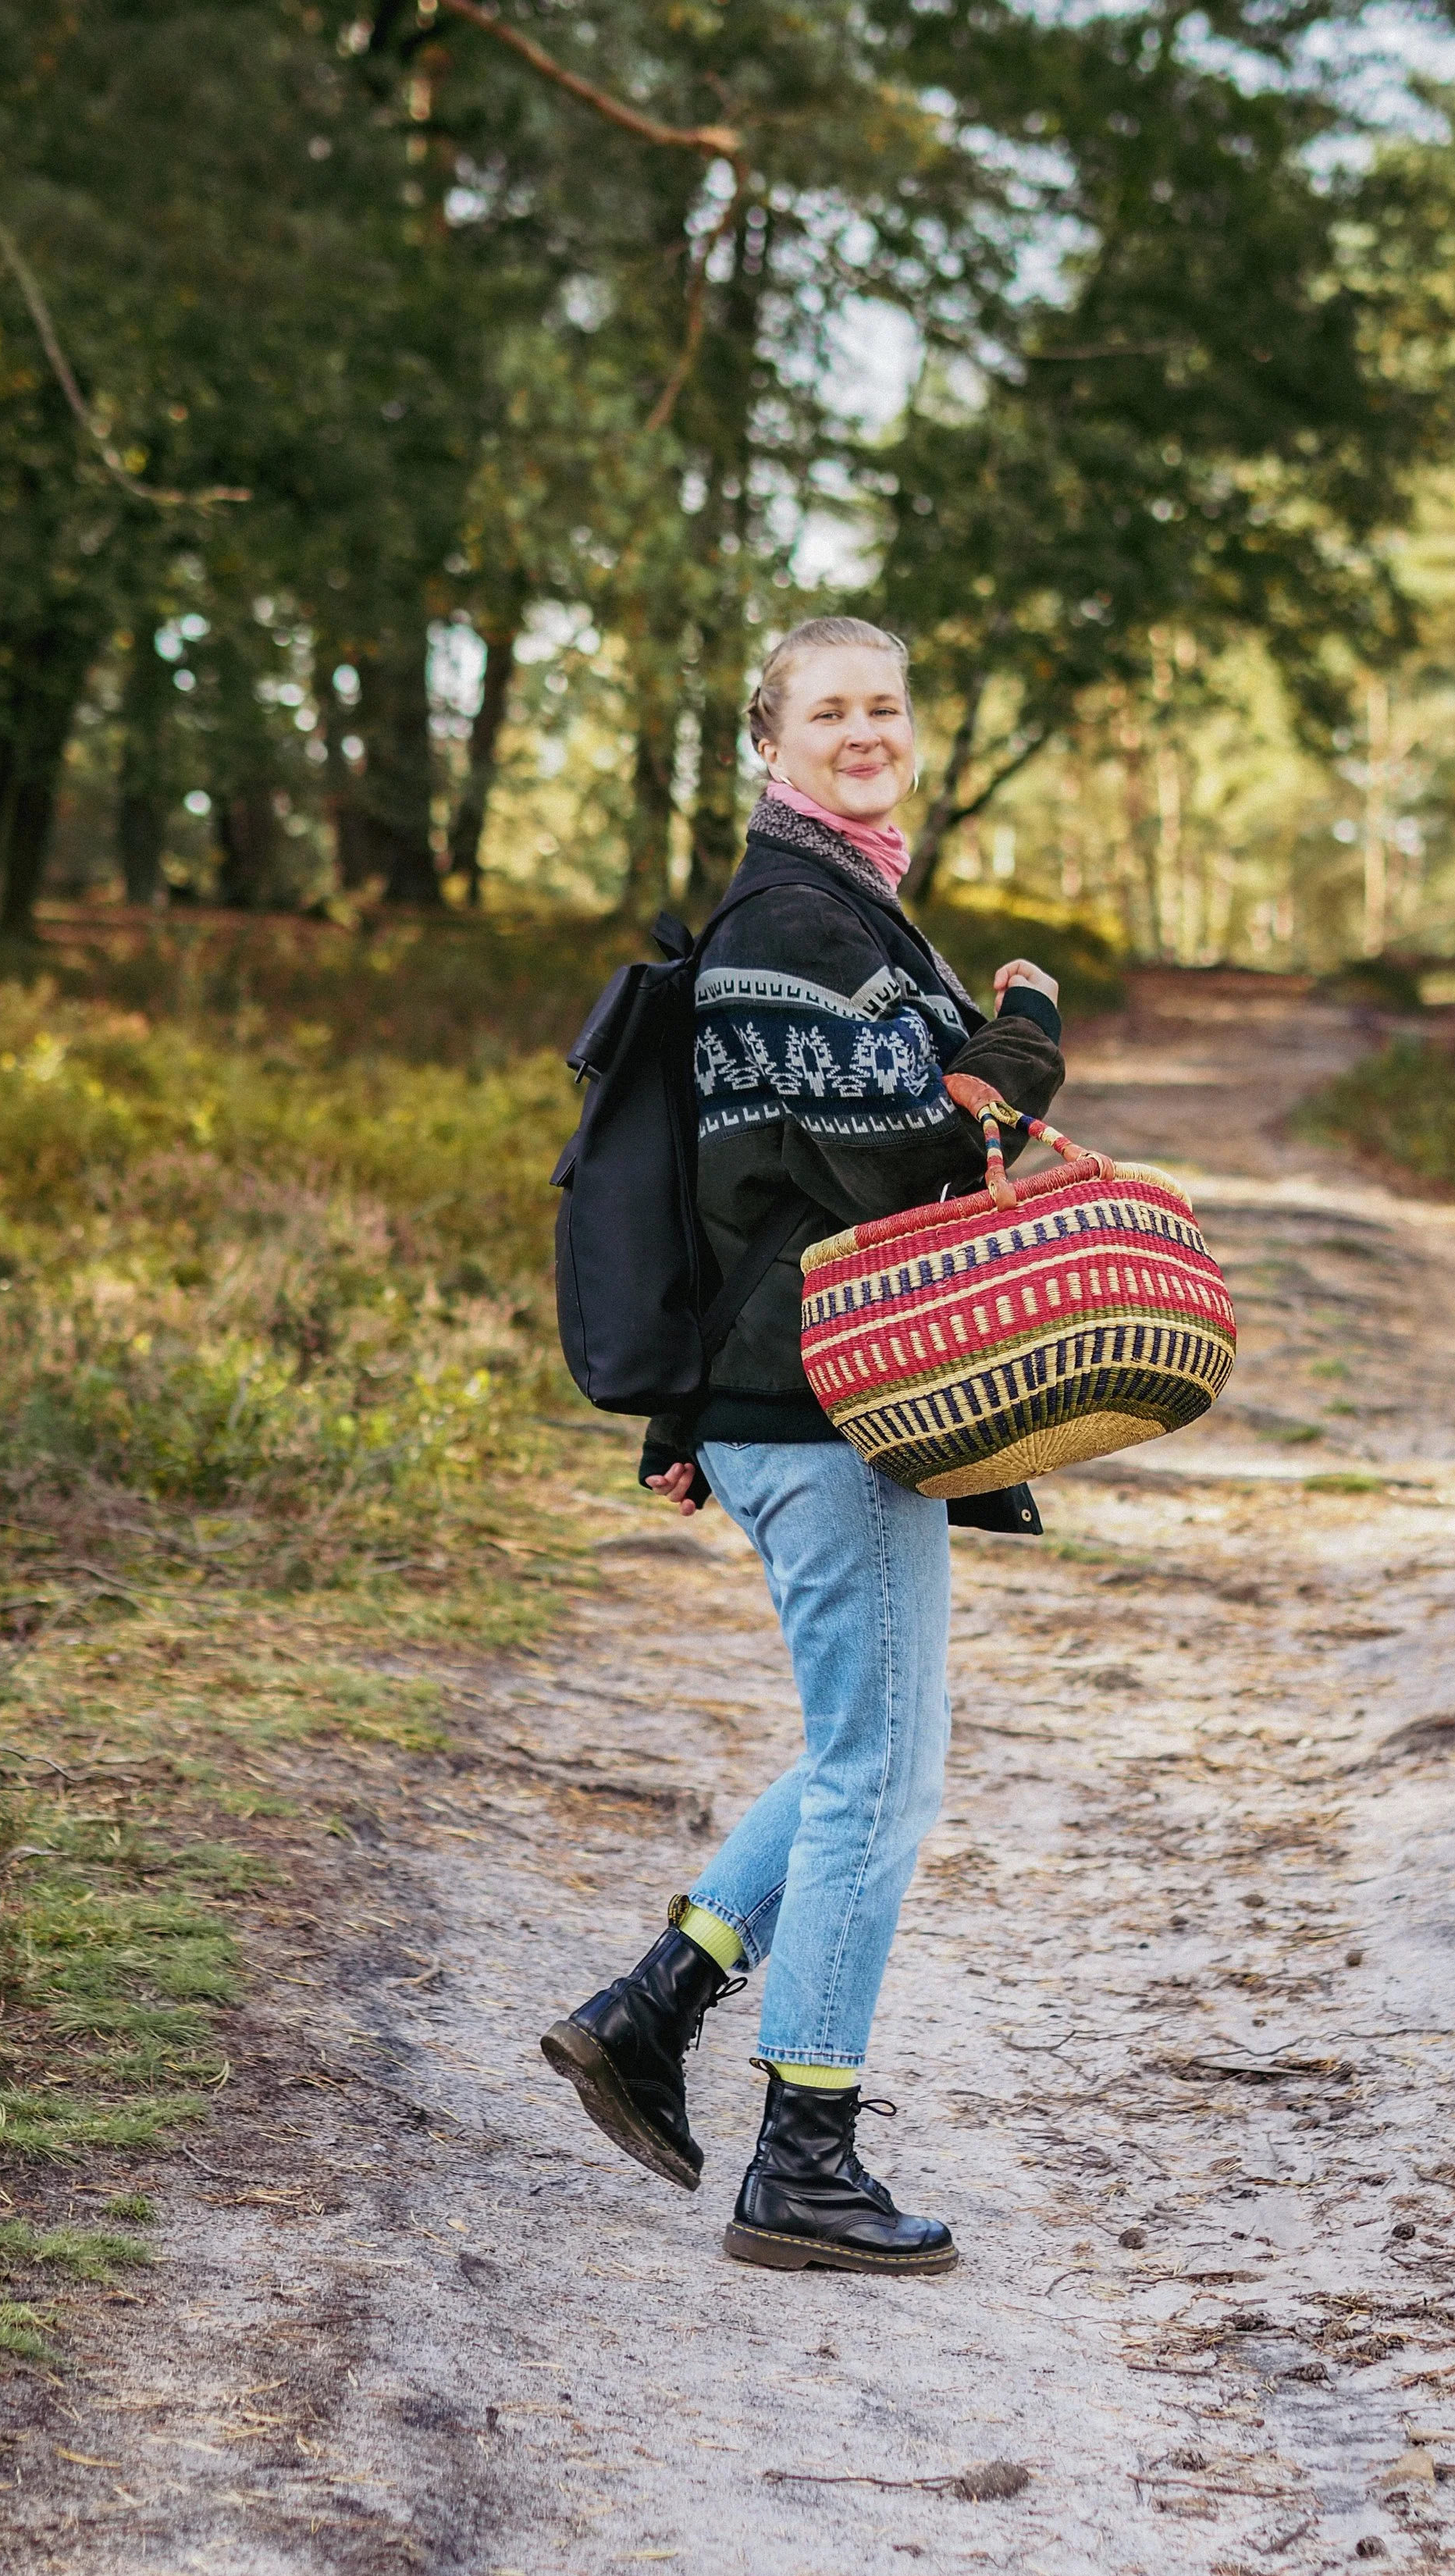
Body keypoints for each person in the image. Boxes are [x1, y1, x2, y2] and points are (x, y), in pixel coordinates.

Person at [541, 617, 1065, 2274]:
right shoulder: (795, 917)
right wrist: (1017, 1051)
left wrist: (689, 1409)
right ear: (769, 742)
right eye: (830, 710)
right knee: (877, 1778)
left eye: (885, 706)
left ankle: (656, 2003)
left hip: (794, 1399)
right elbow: (891, 1159)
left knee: (867, 1754)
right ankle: (804, 2158)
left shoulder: (835, 907)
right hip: (825, 1410)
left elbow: (747, 1184)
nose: (865, 732)